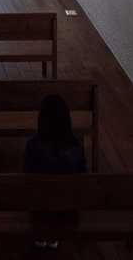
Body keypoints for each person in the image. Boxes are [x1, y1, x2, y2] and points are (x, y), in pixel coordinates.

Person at [24, 93, 88, 248]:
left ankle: (43, 233)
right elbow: (83, 176)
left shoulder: (33, 146)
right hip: (68, 213)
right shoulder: (75, 147)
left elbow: (26, 176)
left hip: (39, 213)